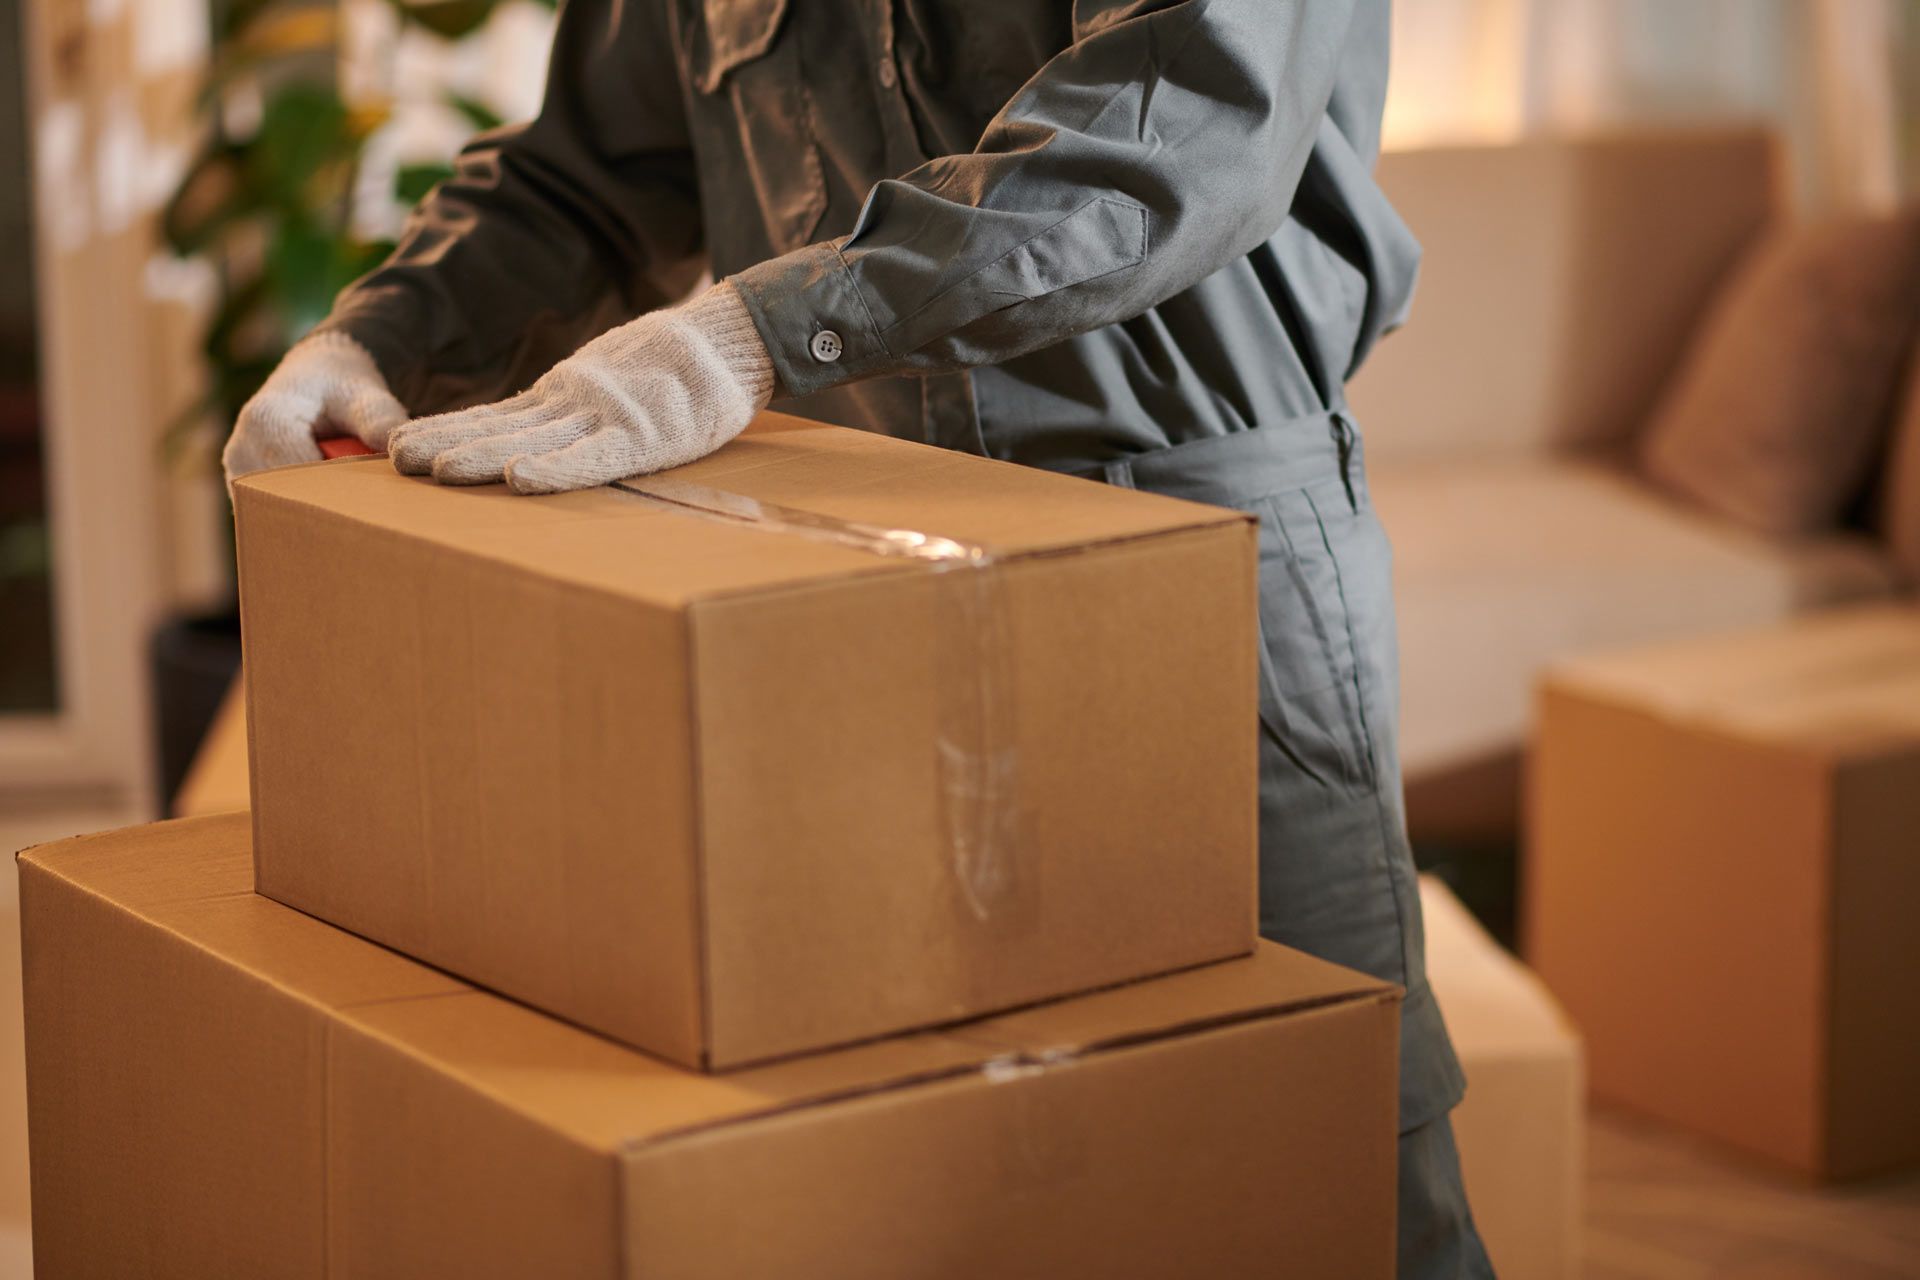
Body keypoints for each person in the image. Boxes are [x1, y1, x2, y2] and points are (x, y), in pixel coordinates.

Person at [224, 2, 1493, 1273]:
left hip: (1193, 537)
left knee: (1329, 1152)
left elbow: (1190, 123)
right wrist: (377, 336)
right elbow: (588, 173)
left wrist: (761, 330)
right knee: (918, 1156)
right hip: (846, 576)